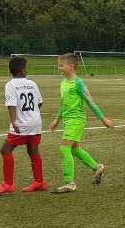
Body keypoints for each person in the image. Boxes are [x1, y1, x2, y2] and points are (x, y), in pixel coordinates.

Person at [49, 53, 114, 193]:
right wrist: (57, 119)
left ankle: (69, 183)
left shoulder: (79, 83)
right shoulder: (63, 82)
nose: (59, 68)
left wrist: (103, 119)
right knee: (74, 149)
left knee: (64, 148)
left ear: (71, 66)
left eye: (61, 65)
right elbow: (63, 103)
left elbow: (90, 102)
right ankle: (97, 167)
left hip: (76, 120)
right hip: (68, 120)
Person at [0, 56, 47, 194]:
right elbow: (39, 102)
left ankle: (8, 184)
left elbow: (11, 104)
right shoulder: (32, 83)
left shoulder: (10, 85)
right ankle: (39, 181)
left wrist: (14, 121)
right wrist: (32, 114)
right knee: (33, 151)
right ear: (22, 70)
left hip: (22, 124)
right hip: (35, 122)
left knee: (5, 150)